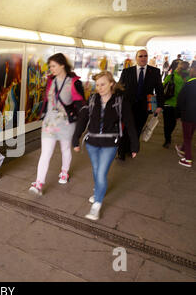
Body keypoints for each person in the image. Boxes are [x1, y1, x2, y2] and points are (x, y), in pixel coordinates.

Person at [73, 71, 138, 220]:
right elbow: (83, 119)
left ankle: (96, 205)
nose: (99, 88)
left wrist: (134, 145)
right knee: (96, 171)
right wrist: (75, 138)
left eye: (103, 84)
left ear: (111, 84)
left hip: (110, 143)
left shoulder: (120, 101)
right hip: (92, 143)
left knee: (101, 173)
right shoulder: (92, 99)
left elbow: (129, 123)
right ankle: (98, 191)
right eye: (97, 85)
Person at [29, 53, 85, 195]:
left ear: (62, 65)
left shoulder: (74, 82)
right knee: (45, 153)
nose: (51, 69)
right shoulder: (50, 81)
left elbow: (81, 105)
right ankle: (39, 183)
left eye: (53, 66)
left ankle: (64, 172)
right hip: (50, 122)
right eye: (50, 66)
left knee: (65, 149)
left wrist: (81, 125)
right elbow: (47, 100)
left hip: (66, 123)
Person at [117, 49, 164, 160]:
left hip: (144, 107)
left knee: (137, 129)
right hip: (128, 106)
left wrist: (159, 105)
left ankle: (131, 149)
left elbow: (159, 90)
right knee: (125, 129)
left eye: (145, 56)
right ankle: (121, 152)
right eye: (141, 56)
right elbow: (119, 88)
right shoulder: (127, 71)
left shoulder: (155, 72)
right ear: (136, 58)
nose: (143, 58)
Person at [162, 61, 190, 148]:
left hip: (167, 103)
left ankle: (167, 139)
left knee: (167, 123)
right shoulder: (189, 78)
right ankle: (168, 136)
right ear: (187, 68)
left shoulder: (171, 76)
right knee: (173, 123)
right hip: (178, 105)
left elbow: (162, 87)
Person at [175, 65, 196, 167]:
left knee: (187, 137)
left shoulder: (188, 84)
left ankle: (188, 159)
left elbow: (180, 100)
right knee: (190, 135)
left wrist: (178, 114)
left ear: (193, 71)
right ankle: (183, 148)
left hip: (188, 115)